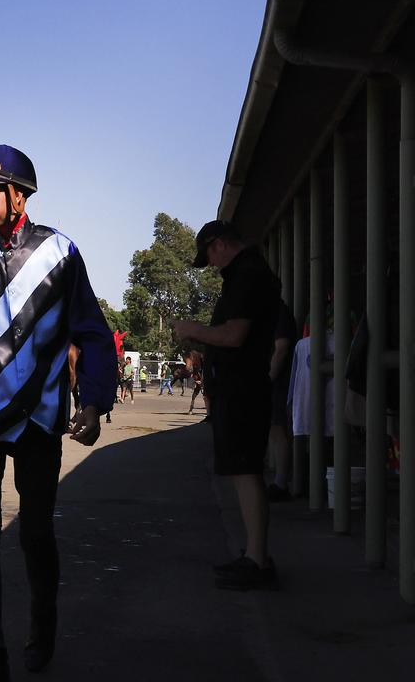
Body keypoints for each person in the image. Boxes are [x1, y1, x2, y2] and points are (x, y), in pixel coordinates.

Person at [0, 144, 117, 680]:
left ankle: (42, 630)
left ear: (18, 195)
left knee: (35, 532)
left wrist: (94, 401)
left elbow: (91, 329)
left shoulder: (60, 253)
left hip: (40, 420)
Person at [171, 220, 280, 590]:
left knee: (247, 471)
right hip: (241, 386)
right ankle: (255, 553)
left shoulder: (247, 275)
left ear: (219, 245)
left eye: (210, 256)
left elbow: (234, 336)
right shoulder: (249, 273)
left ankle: (258, 559)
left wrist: (191, 329)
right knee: (242, 471)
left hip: (243, 388)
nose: (213, 265)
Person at [266, 300, 299, 501]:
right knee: (275, 430)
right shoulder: (273, 311)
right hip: (274, 381)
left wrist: (268, 379)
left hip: (278, 382)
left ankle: (281, 482)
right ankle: (280, 480)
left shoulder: (277, 311)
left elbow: (282, 348)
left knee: (278, 430)